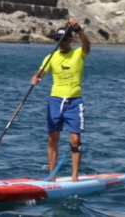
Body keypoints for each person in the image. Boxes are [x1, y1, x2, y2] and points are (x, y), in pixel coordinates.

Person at [30, 17, 91, 181]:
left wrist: (78, 29)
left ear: (71, 40)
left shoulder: (79, 53)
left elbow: (87, 44)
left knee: (75, 139)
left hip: (74, 101)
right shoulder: (51, 57)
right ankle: (52, 175)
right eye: (58, 40)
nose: (61, 43)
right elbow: (41, 71)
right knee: (53, 138)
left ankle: (75, 176)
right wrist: (36, 77)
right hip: (55, 101)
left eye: (64, 40)